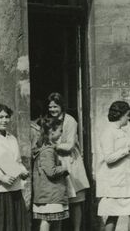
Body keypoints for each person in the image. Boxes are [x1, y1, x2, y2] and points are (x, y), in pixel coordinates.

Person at [96, 100, 130, 231]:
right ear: (120, 115)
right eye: (127, 114)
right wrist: (127, 150)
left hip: (127, 181)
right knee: (113, 215)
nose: (129, 117)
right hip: (115, 182)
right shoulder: (108, 132)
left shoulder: (121, 131)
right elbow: (109, 158)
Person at [46, 94, 89, 231]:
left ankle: (76, 229)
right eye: (50, 106)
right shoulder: (48, 120)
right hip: (55, 161)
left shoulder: (70, 121)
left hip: (70, 161)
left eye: (55, 106)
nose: (52, 109)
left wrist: (52, 147)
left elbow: (69, 145)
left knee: (75, 201)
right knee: (57, 200)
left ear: (61, 106)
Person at [31, 116, 69, 231]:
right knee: (47, 220)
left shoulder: (46, 149)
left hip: (49, 194)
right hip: (50, 194)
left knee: (53, 220)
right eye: (60, 131)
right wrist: (64, 168)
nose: (61, 134)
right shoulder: (48, 151)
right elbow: (51, 171)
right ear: (52, 132)